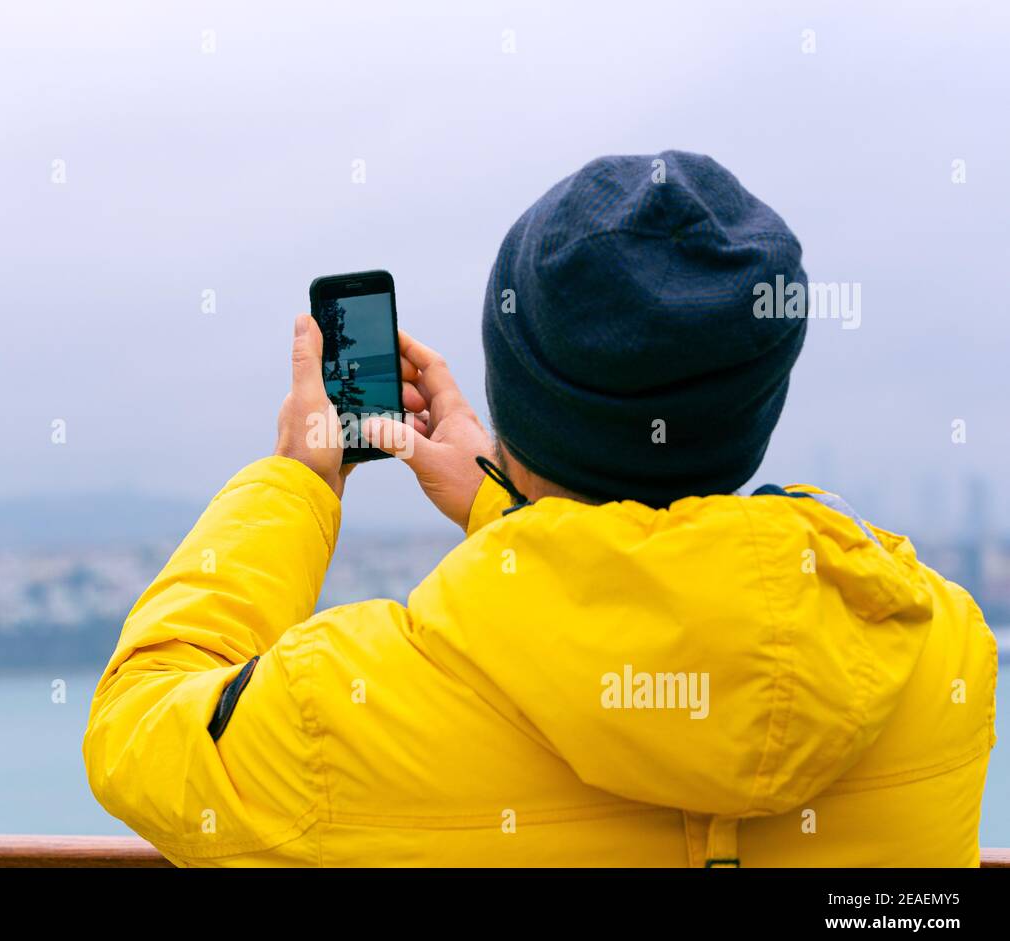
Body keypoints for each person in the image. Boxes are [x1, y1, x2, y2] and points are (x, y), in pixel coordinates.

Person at [83, 151, 996, 866]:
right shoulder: (938, 656)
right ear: (761, 398)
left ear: (512, 399)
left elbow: (139, 718)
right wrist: (507, 506)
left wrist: (299, 477)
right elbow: (675, 607)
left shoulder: (345, 713)